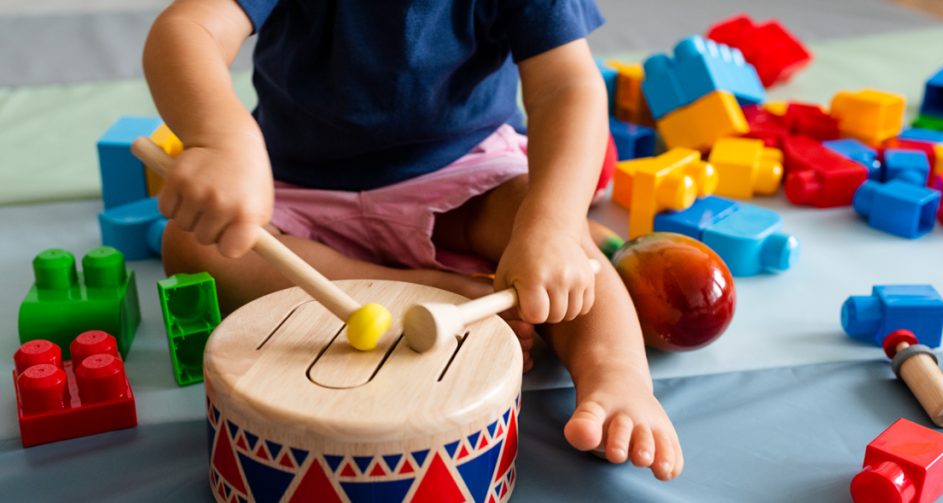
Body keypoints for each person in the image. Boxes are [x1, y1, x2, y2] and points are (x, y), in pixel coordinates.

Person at [144, 0, 682, 480]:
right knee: (195, 246)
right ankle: (431, 289)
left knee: (561, 244)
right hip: (296, 184)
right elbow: (189, 27)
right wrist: (221, 139)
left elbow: (566, 85)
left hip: (463, 172)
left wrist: (554, 223)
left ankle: (616, 376)